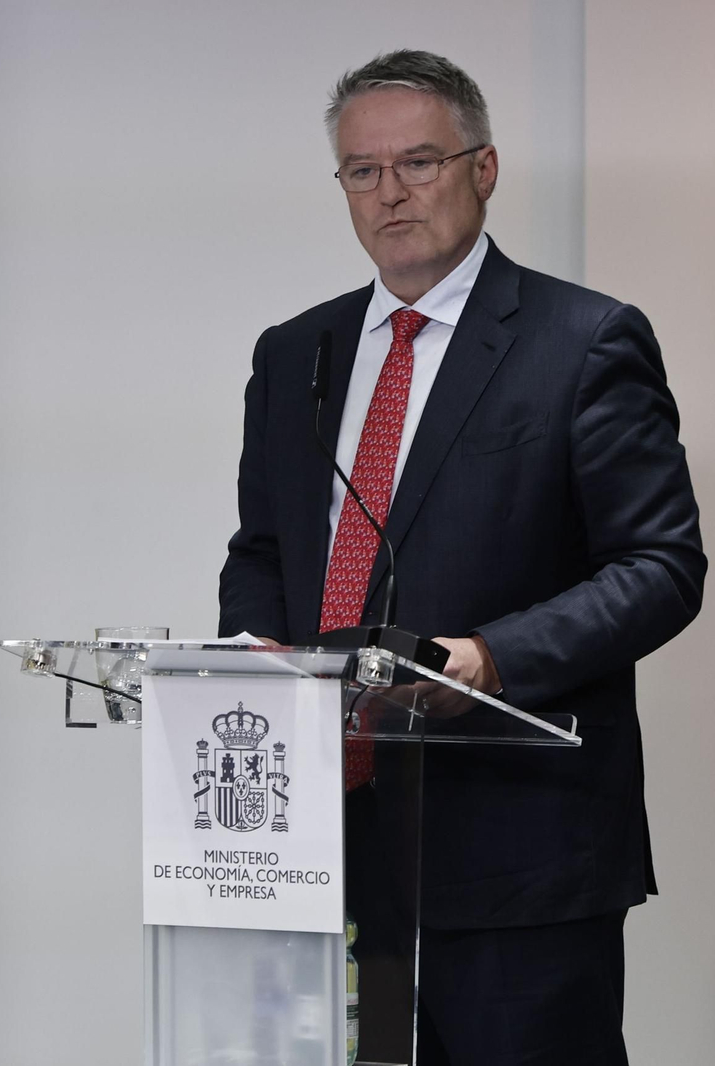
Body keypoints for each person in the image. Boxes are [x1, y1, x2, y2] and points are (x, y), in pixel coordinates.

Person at [217, 49, 704, 1066]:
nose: (390, 192)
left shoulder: (583, 341)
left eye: (419, 162)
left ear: (482, 170)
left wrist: (490, 656)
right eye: (362, 170)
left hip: (517, 853)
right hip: (324, 844)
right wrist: (254, 650)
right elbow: (262, 550)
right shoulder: (292, 353)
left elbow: (659, 565)